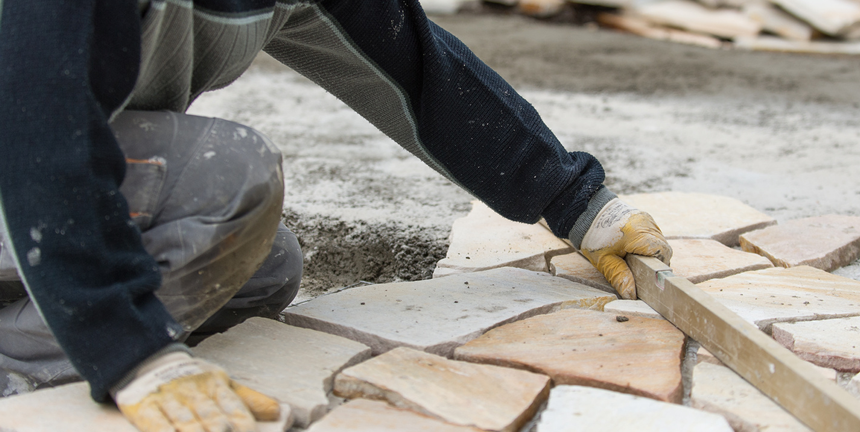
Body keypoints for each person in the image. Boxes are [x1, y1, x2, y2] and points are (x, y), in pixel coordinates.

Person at [0, 1, 672, 430]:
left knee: (263, 266)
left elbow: (420, 74)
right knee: (229, 180)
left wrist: (576, 203)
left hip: (47, 176)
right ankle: (21, 375)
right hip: (21, 163)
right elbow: (38, 137)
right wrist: (130, 354)